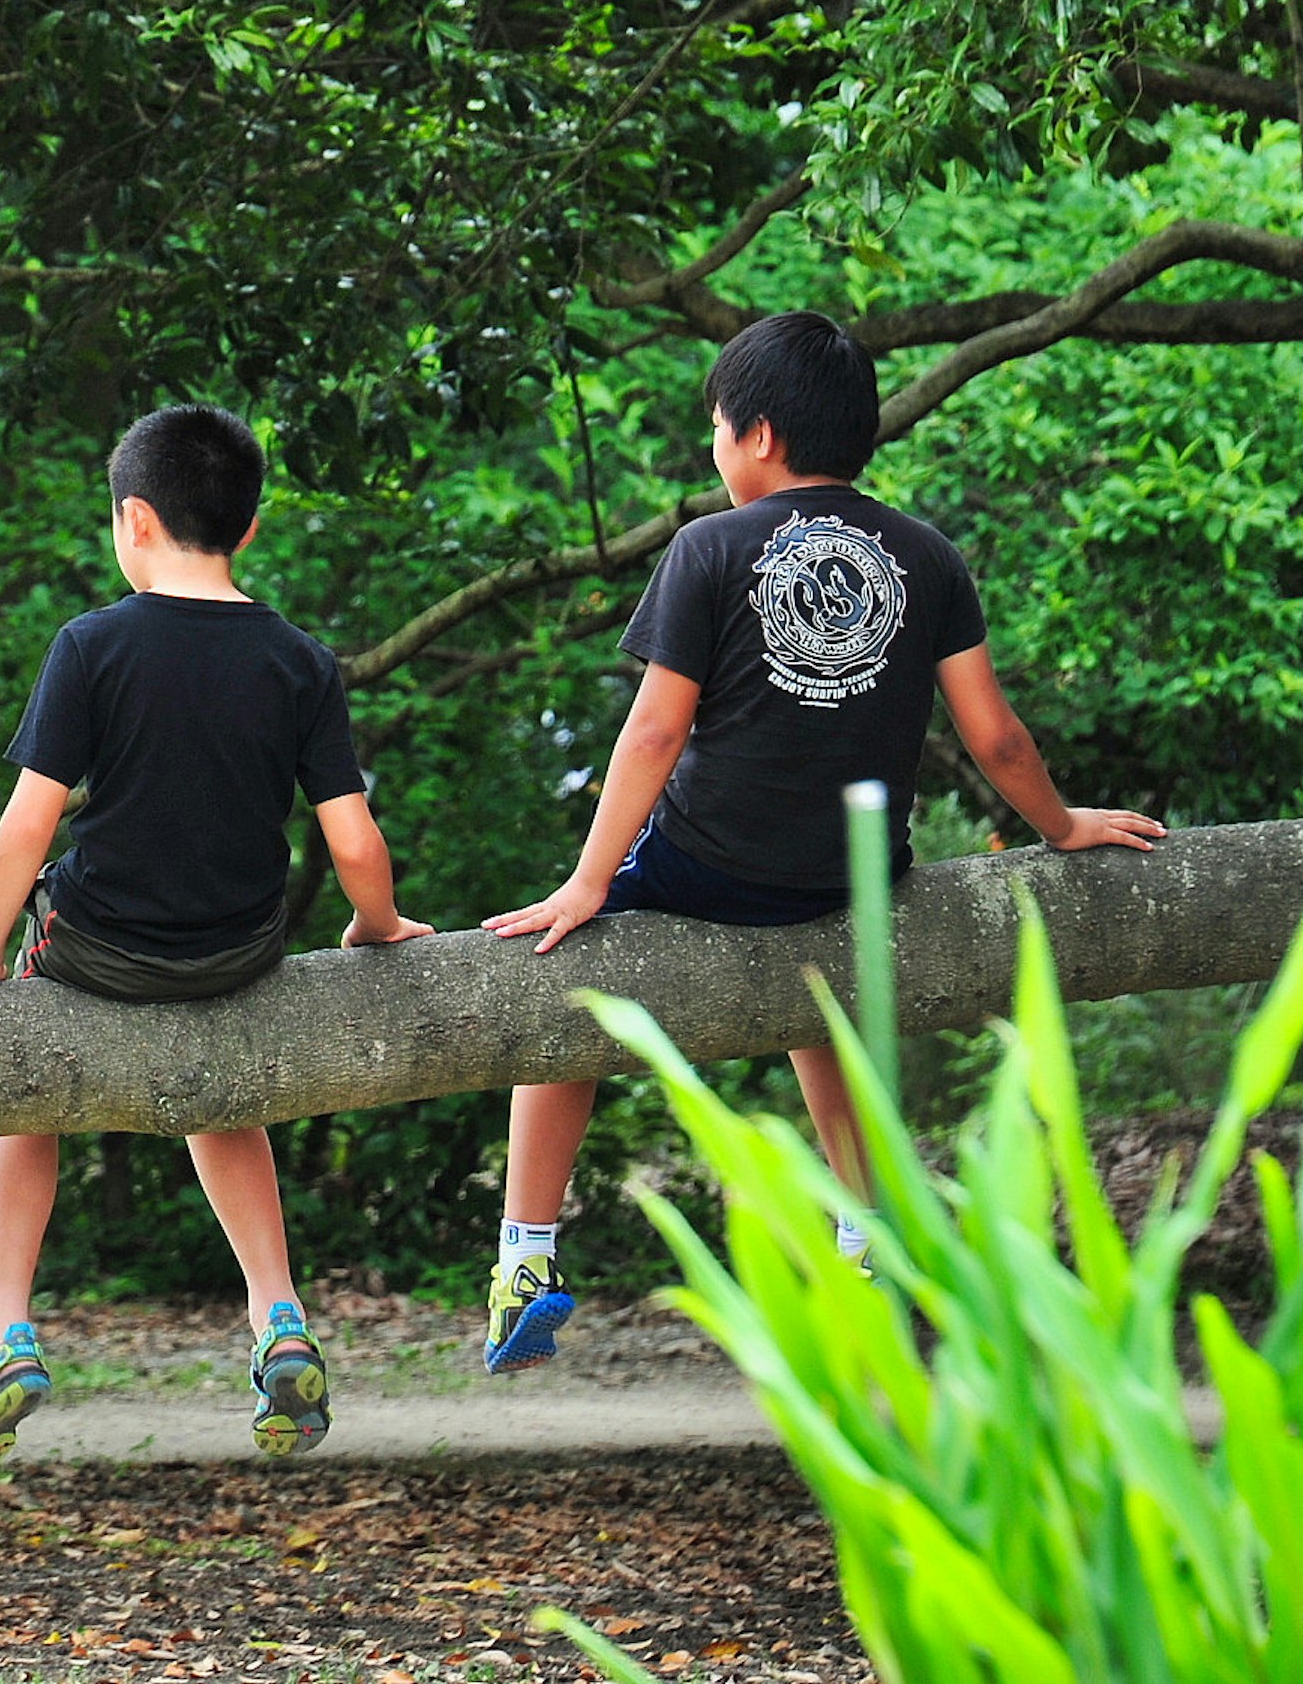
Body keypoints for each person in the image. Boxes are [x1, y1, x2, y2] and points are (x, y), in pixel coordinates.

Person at [476, 310, 1164, 1373]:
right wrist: (1064, 825)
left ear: (757, 435)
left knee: (561, 986)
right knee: (823, 1001)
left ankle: (525, 1251)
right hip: (849, 872)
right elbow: (995, 733)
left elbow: (656, 730)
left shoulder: (707, 546)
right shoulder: (928, 555)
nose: (713, 442)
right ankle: (866, 1235)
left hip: (709, 863)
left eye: (714, 422)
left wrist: (587, 880)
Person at [0, 404, 430, 1477]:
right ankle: (278, 1314)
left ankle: (1, 1330)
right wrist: (378, 925)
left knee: (23, 1085)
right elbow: (352, 834)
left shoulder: (93, 643)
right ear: (245, 528)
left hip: (98, 945)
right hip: (239, 949)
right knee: (220, 1091)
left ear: (134, 519)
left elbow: (29, 820)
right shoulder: (298, 659)